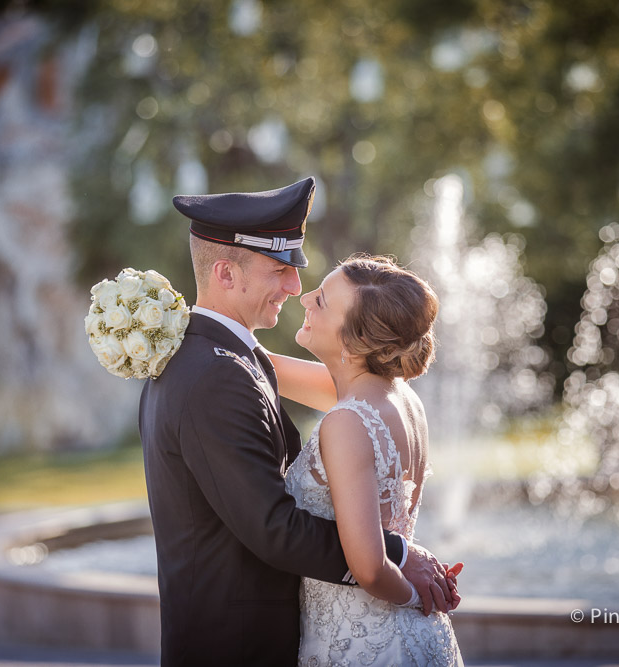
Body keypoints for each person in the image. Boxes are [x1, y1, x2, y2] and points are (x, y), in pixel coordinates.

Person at [138, 177, 458, 666]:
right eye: (280, 269)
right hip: (236, 644)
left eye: (315, 292)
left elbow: (332, 385)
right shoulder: (215, 373)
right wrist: (398, 553)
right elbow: (274, 528)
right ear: (226, 274)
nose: (297, 289)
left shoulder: (231, 360)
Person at [269, 254, 463, 666]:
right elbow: (262, 368)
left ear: (353, 342)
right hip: (415, 639)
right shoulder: (401, 399)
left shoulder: (348, 421)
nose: (304, 299)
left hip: (366, 643)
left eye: (320, 301)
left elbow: (370, 569)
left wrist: (417, 598)